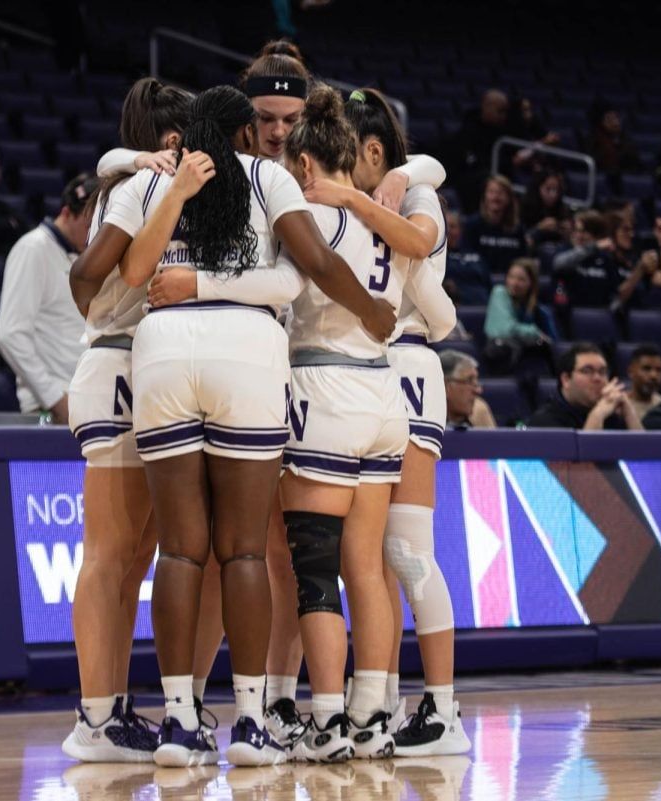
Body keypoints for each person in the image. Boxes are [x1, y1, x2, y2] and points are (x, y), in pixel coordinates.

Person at [74, 84, 394, 767]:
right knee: (244, 550)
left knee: (179, 551)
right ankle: (251, 720)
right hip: (246, 354)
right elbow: (310, 267)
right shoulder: (268, 177)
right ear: (246, 132)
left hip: (159, 353)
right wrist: (372, 313)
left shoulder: (149, 180)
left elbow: (111, 273)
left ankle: (178, 720)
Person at [261, 85, 410, 761]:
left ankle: (326, 720)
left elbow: (291, 286)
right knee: (369, 569)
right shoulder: (388, 215)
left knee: (315, 569)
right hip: (385, 392)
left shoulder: (314, 216)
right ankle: (373, 712)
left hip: (325, 386)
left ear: (304, 165)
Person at [336, 86, 469, 756]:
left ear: (375, 150)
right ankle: (381, 700)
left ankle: (444, 710)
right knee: (370, 555)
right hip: (369, 370)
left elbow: (438, 313)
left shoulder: (413, 196)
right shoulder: (376, 194)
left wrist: (399, 178)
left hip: (409, 367)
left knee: (408, 552)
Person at [61, 77, 190, 764]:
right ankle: (95, 713)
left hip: (138, 369)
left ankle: (109, 706)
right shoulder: (137, 184)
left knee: (134, 557)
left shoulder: (138, 179)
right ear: (171, 141)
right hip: (114, 362)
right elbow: (87, 273)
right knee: (109, 555)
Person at [0, 174, 97, 420]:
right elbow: (10, 334)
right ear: (66, 213)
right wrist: (54, 399)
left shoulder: (86, 257)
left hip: (87, 400)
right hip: (52, 406)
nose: (94, 236)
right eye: (89, 226)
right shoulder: (33, 249)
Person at [527, 343, 643, 430]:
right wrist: (598, 415)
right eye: (587, 371)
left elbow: (645, 456)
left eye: (602, 372)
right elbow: (585, 460)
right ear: (566, 379)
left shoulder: (610, 414)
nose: (597, 378)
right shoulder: (544, 421)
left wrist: (628, 411)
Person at [483, 258, 558, 374]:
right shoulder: (499, 293)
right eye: (511, 277)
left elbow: (552, 341)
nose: (514, 283)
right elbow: (504, 330)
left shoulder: (539, 311)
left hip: (527, 363)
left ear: (531, 283)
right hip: (503, 360)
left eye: (521, 279)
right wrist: (534, 333)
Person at [461, 175, 527, 277]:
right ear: (485, 197)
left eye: (500, 193)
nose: (495, 197)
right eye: (491, 192)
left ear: (509, 198)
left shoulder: (517, 229)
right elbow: (467, 257)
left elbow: (522, 260)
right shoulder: (472, 225)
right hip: (479, 279)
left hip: (510, 282)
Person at [443, 209, 490, 304]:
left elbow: (488, 282)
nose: (448, 230)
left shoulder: (475, 254)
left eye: (452, 226)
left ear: (460, 230)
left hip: (482, 303)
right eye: (445, 226)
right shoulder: (435, 256)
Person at [587, 99, 641, 180]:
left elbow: (634, 161)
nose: (615, 123)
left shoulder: (625, 138)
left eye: (616, 118)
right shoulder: (593, 139)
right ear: (601, 122)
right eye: (609, 119)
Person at [441, 350, 495, 429]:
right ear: (445, 387)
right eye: (469, 381)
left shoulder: (480, 413)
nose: (478, 390)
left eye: (476, 382)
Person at [520, 169, 572, 245]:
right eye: (548, 189)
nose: (553, 195)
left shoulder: (563, 209)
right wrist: (539, 228)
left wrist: (568, 233)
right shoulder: (524, 207)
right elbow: (520, 239)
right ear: (538, 188)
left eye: (556, 190)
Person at [626, 344, 661, 420]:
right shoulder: (618, 408)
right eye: (646, 369)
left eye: (659, 370)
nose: (653, 376)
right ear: (630, 372)